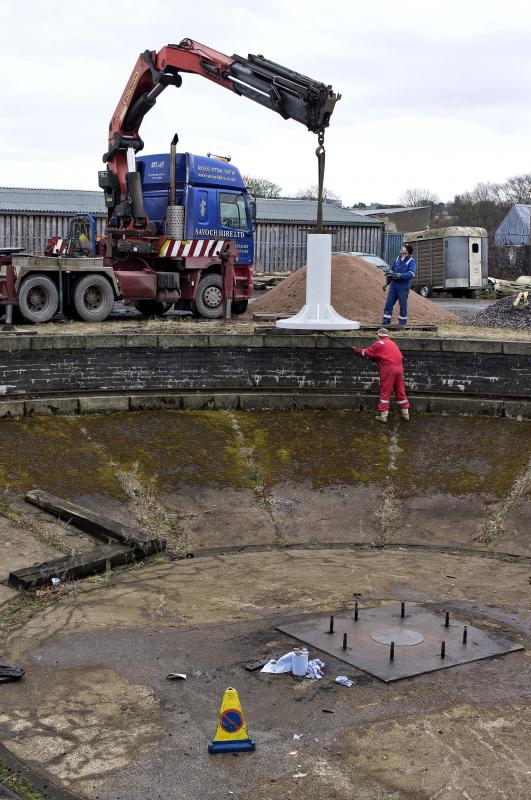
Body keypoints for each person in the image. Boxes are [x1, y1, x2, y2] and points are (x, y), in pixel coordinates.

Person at [352, 328, 409, 423]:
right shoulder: (393, 343)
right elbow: (388, 356)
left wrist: (356, 350)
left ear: (378, 335)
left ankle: (383, 416)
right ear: (387, 335)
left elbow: (366, 352)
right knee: (400, 390)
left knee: (385, 391)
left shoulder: (378, 344)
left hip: (388, 369)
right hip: (399, 368)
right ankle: (406, 415)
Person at [382, 243, 416, 326]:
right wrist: (387, 282)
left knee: (403, 305)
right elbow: (392, 271)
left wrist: (401, 275)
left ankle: (402, 323)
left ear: (408, 251)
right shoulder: (397, 259)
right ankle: (386, 321)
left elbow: (412, 274)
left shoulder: (411, 261)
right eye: (402, 247)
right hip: (393, 286)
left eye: (404, 248)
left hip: (403, 287)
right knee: (389, 303)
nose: (402, 248)